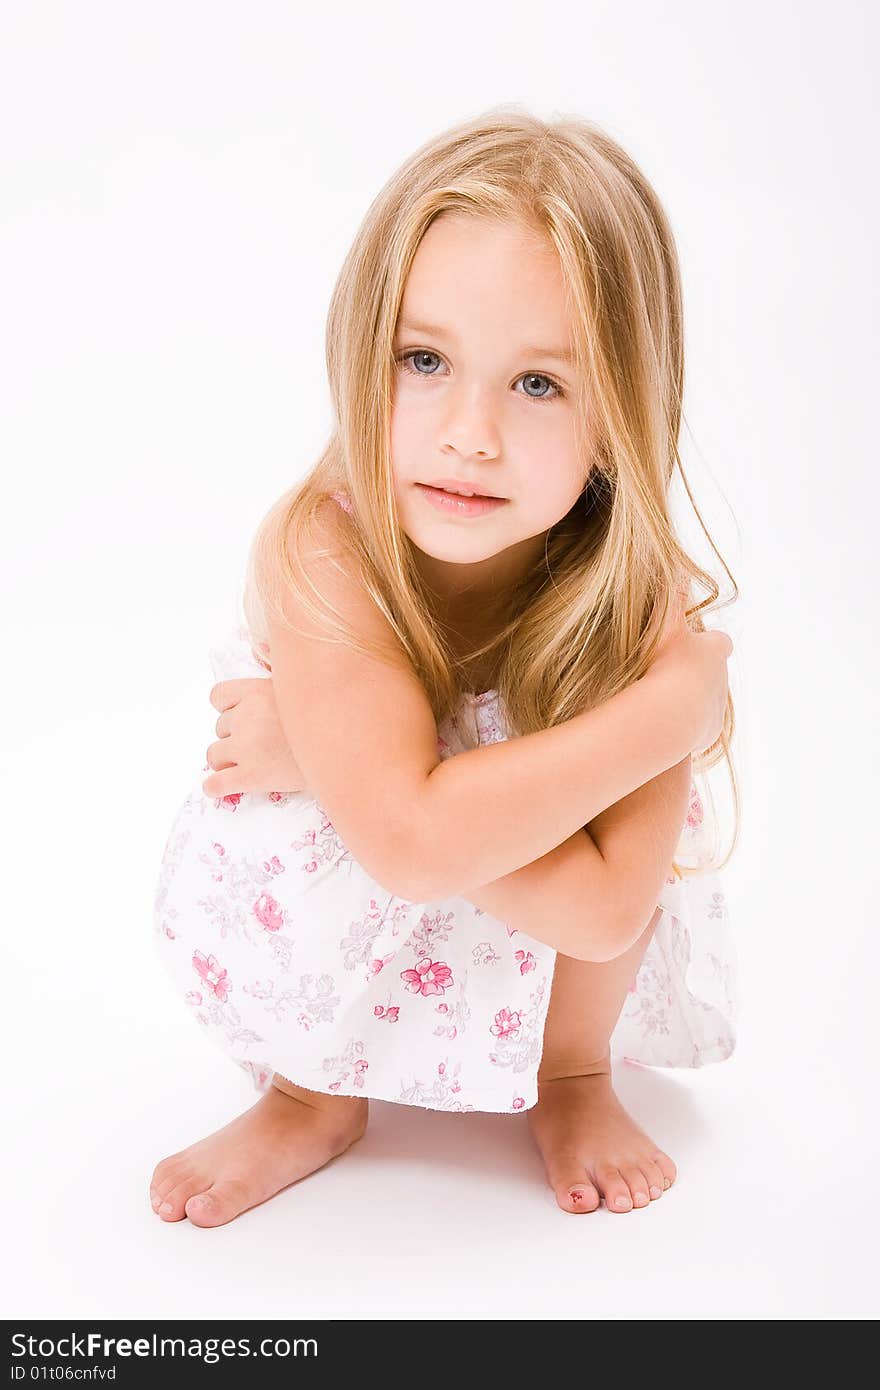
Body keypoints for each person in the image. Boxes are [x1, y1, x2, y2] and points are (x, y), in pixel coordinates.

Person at [150, 105, 740, 1229]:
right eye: (423, 360)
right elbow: (408, 843)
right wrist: (674, 711)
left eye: (538, 384)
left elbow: (613, 908)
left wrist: (373, 779)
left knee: (542, 799)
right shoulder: (322, 553)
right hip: (348, 895)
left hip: (521, 889)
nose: (469, 432)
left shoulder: (627, 593)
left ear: (618, 412)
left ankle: (568, 1072)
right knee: (381, 819)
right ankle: (311, 1087)